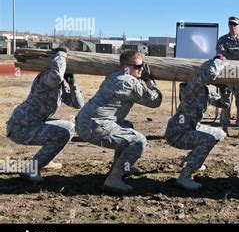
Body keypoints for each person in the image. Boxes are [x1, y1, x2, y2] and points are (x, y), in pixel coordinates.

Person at [75, 50, 162, 194]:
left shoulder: (114, 76)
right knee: (138, 141)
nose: (142, 69)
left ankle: (120, 167)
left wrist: (139, 78)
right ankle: (113, 179)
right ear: (125, 67)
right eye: (138, 67)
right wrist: (150, 83)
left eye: (143, 66)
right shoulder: (129, 82)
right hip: (95, 127)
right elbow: (155, 101)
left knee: (127, 126)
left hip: (85, 123)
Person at [6, 47, 84, 183]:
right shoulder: (45, 78)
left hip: (33, 123)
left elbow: (77, 104)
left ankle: (45, 160)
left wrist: (72, 84)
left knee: (70, 127)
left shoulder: (59, 85)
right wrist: (61, 54)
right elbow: (56, 75)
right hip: (21, 127)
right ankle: (31, 169)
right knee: (63, 133)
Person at [165, 54, 231, 190]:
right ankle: (185, 176)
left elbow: (224, 104)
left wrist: (225, 90)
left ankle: (191, 160)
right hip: (178, 132)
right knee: (207, 140)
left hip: (192, 127)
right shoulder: (191, 86)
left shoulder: (205, 90)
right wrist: (219, 60)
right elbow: (210, 74)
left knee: (219, 134)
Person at [216, 16, 239, 138]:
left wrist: (230, 50)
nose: (233, 26)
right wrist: (235, 52)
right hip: (226, 74)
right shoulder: (222, 39)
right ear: (228, 25)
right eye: (231, 24)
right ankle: (224, 127)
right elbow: (221, 53)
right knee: (225, 101)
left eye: (235, 24)